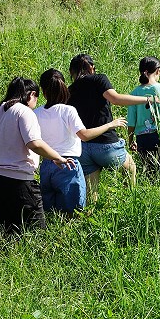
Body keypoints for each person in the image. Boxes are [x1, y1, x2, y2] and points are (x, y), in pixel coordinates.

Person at [0, 77, 75, 234]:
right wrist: (57, 157)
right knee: (36, 230)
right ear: (31, 94)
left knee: (10, 228)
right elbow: (34, 143)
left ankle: (9, 255)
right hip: (17, 180)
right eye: (37, 98)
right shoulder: (24, 112)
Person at [35, 69, 128, 214]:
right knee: (74, 213)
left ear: (43, 90)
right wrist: (110, 124)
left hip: (47, 165)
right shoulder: (68, 110)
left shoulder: (36, 113)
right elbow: (84, 135)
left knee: (50, 211)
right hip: (68, 165)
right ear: (63, 87)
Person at [67, 53, 157, 199]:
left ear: (72, 71)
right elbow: (116, 99)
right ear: (91, 67)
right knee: (130, 168)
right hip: (105, 144)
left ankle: (90, 216)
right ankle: (130, 201)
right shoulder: (98, 79)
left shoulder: (70, 90)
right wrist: (149, 99)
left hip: (82, 148)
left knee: (91, 192)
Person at [127, 56, 160, 173]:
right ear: (158, 71)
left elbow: (131, 122)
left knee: (149, 172)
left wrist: (130, 141)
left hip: (143, 138)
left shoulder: (134, 93)